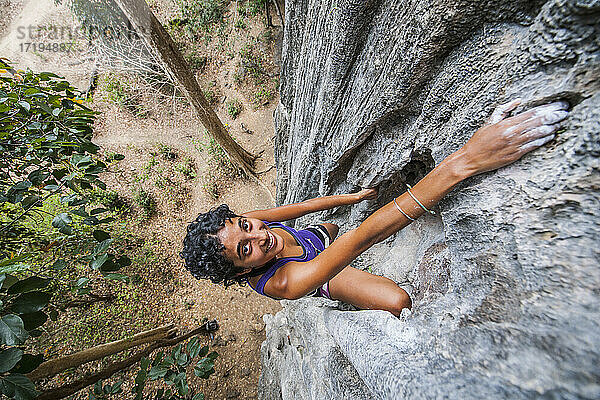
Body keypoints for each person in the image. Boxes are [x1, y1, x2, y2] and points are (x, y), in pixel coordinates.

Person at [180, 99, 569, 316]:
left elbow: (301, 206)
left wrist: (349, 198)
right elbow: (368, 234)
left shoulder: (253, 226)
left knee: (330, 229)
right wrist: (464, 161)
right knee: (397, 301)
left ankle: (329, 235)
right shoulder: (284, 283)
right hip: (321, 275)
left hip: (314, 240)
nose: (258, 235)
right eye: (244, 250)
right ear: (239, 271)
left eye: (244, 226)